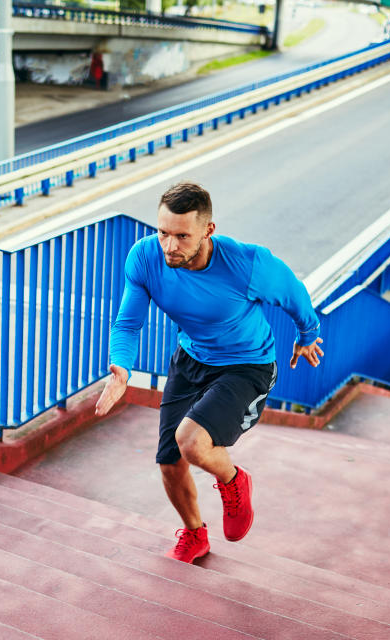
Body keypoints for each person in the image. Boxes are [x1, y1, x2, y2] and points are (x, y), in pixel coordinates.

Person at [95, 182, 324, 563]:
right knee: (169, 460)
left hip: (246, 365)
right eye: (163, 232)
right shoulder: (145, 257)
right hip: (191, 359)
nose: (170, 246)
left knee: (192, 441)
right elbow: (128, 323)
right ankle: (195, 533)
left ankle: (234, 481)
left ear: (208, 230)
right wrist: (120, 368)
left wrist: (308, 334)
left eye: (182, 236)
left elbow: (293, 292)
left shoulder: (247, 264)